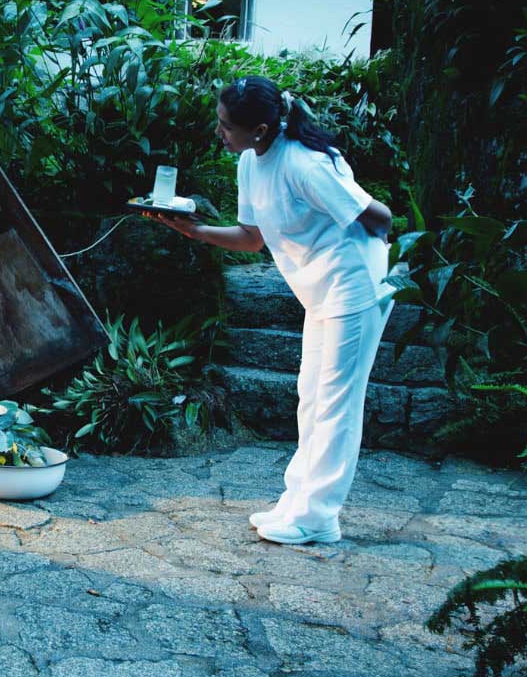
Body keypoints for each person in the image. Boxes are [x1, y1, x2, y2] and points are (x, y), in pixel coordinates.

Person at [144, 75, 395, 545]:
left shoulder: (306, 165)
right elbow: (251, 237)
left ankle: (319, 516)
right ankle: (299, 502)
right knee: (311, 396)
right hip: (318, 292)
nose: (219, 132)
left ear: (259, 129)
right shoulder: (250, 162)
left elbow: (380, 218)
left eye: (226, 125)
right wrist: (195, 231)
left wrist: (379, 267)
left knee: (337, 403)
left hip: (354, 287)